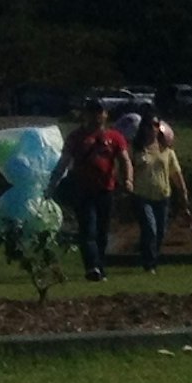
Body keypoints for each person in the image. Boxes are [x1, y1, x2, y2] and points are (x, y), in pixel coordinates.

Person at [56, 104, 132, 284]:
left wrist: (128, 179)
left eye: (99, 112)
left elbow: (125, 159)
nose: (96, 116)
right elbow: (64, 161)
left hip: (105, 189)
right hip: (82, 189)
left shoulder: (114, 137)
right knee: (87, 229)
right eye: (92, 112)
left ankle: (100, 266)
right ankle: (91, 266)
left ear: (105, 115)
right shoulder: (76, 137)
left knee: (102, 231)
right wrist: (54, 181)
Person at [126, 112, 189, 274]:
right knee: (150, 228)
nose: (152, 129)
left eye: (155, 125)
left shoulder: (166, 150)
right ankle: (148, 264)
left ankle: (152, 260)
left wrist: (183, 194)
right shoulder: (136, 149)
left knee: (160, 232)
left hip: (163, 195)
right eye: (149, 125)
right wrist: (128, 183)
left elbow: (176, 173)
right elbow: (126, 169)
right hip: (142, 195)